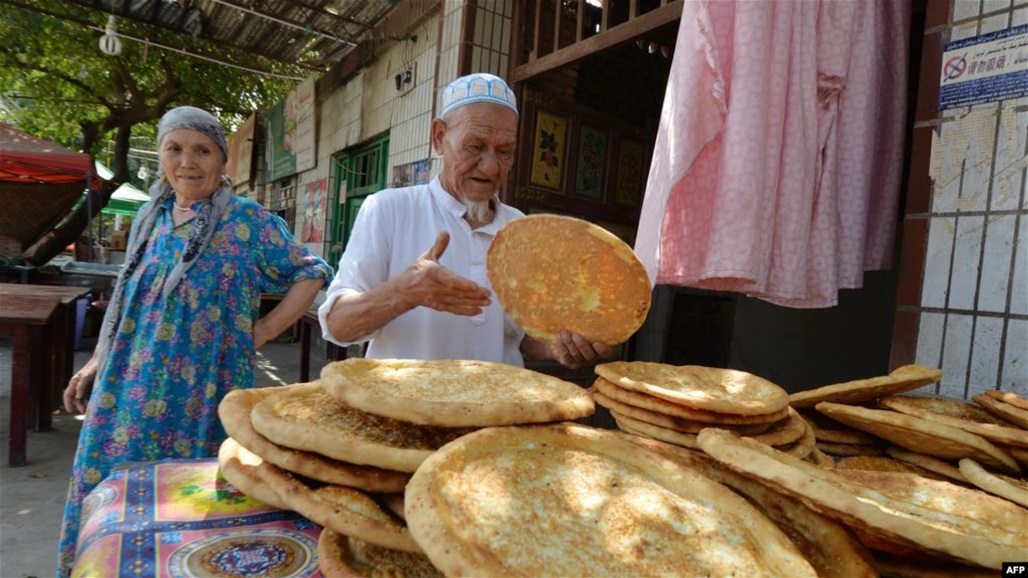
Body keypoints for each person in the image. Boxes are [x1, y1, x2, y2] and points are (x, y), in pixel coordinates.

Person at [56, 106, 333, 576]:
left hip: (205, 390)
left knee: (198, 515)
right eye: (174, 149)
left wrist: (265, 331)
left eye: (202, 151)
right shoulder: (149, 217)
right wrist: (95, 362)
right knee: (117, 506)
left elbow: (312, 271)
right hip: (127, 390)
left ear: (222, 161)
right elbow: (128, 302)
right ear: (161, 155)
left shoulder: (247, 221)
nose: (187, 162)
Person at [319, 73, 612, 368]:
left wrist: (560, 347)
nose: (491, 167)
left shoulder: (520, 228)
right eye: (475, 146)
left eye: (505, 151)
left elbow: (519, 332)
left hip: (497, 398)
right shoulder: (388, 210)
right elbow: (337, 325)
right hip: (405, 397)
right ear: (439, 137)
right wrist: (404, 292)